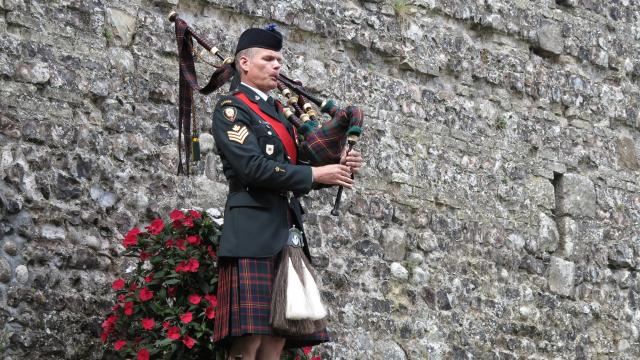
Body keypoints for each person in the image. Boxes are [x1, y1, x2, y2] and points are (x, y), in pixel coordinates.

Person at [210, 26, 363, 360]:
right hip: (252, 230)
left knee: (279, 336)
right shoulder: (232, 110)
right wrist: (314, 173)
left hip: (286, 229)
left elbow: (298, 168)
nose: (277, 65)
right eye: (269, 58)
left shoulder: (280, 113)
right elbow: (253, 168)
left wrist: (336, 167)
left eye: (279, 59)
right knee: (249, 339)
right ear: (245, 64)